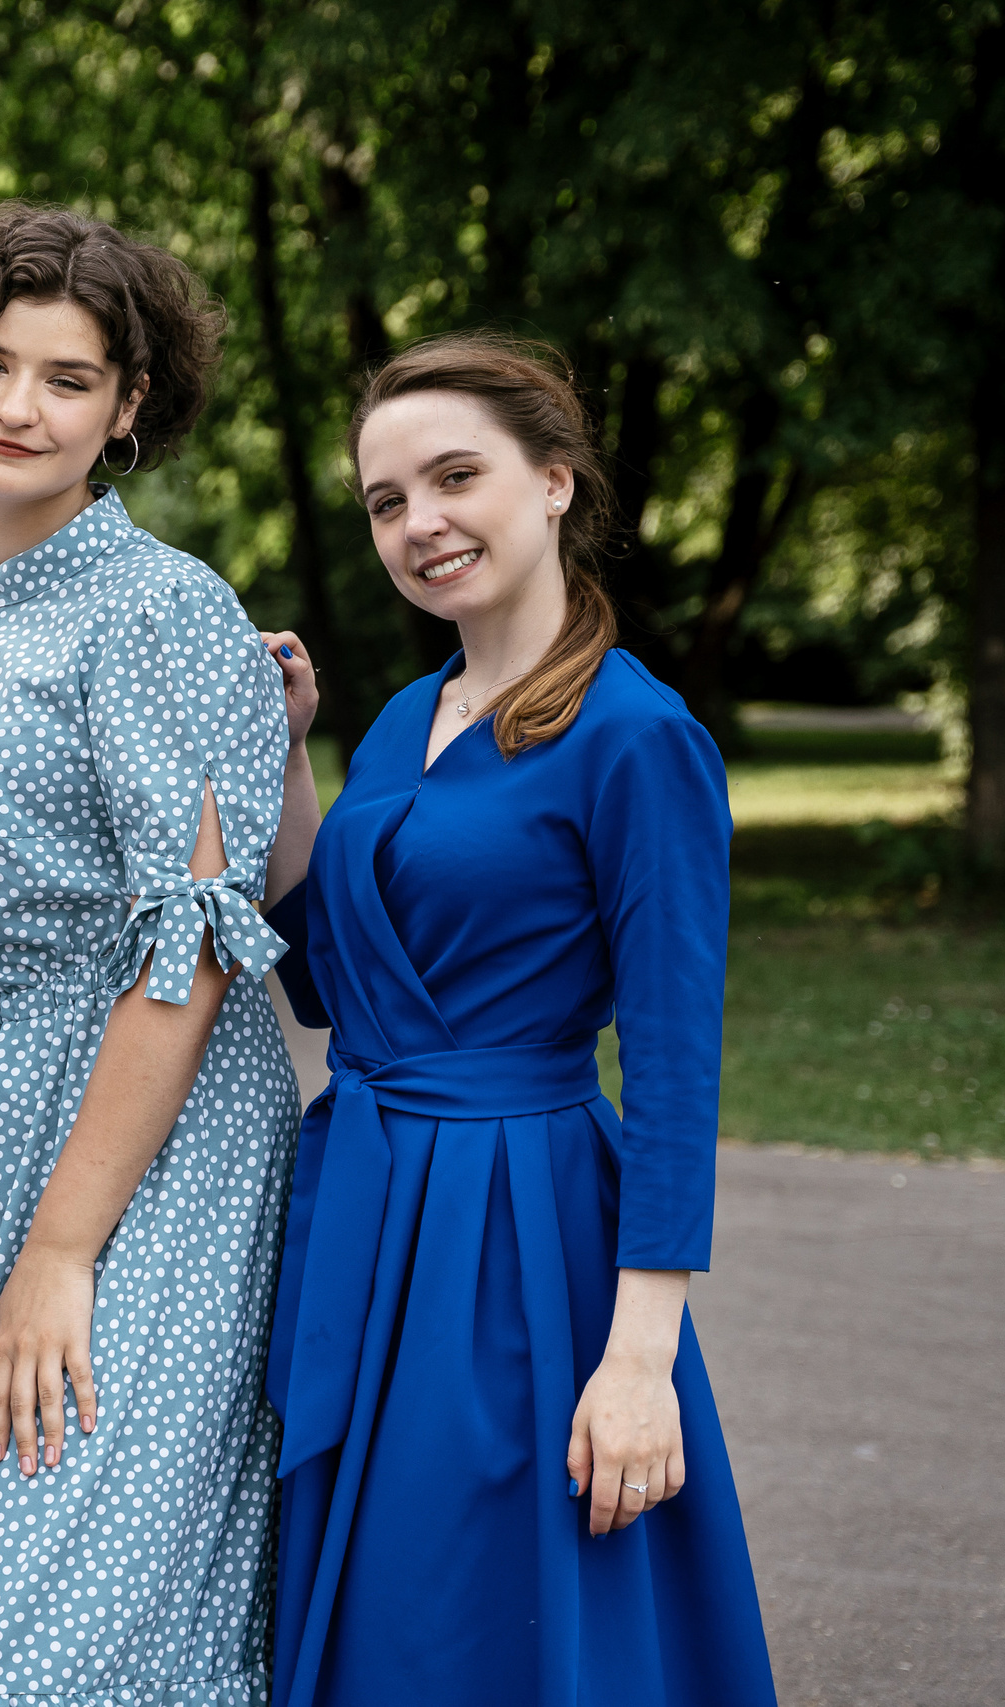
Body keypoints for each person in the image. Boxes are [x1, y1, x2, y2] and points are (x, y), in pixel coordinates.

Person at [256, 329, 778, 1706]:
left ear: (553, 482)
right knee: (381, 1608)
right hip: (376, 1214)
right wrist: (296, 760)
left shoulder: (637, 736)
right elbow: (331, 982)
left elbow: (673, 1064)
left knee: (487, 1614)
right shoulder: (404, 720)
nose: (419, 522)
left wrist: (639, 1360)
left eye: (454, 477)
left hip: (516, 1226)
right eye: (385, 501)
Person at [0, 202, 301, 1705]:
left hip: (143, 1154)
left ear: (126, 410)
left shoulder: (170, 612)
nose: (18, 406)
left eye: (68, 378)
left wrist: (63, 1250)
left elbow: (190, 955)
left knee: (55, 1630)